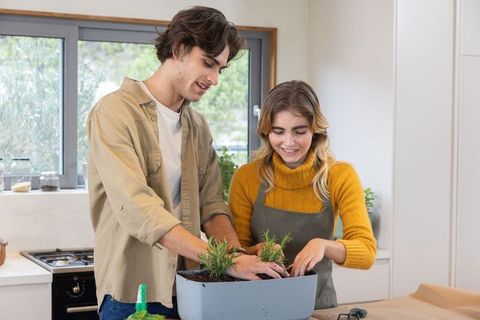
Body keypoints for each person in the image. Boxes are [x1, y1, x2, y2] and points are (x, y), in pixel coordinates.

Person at [87, 6, 287, 320]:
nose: (214, 79)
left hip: (189, 287)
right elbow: (137, 206)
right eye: (208, 64)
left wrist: (235, 254)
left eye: (220, 69)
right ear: (179, 48)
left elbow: (211, 205)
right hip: (133, 292)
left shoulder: (198, 127)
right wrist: (224, 261)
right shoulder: (114, 112)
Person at [228, 80, 377, 309]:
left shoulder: (340, 176)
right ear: (267, 131)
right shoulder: (247, 177)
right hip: (256, 305)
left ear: (315, 130)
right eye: (279, 131)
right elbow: (237, 252)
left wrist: (324, 246)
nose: (289, 142)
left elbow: (366, 251)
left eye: (299, 131)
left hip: (317, 305)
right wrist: (258, 250)